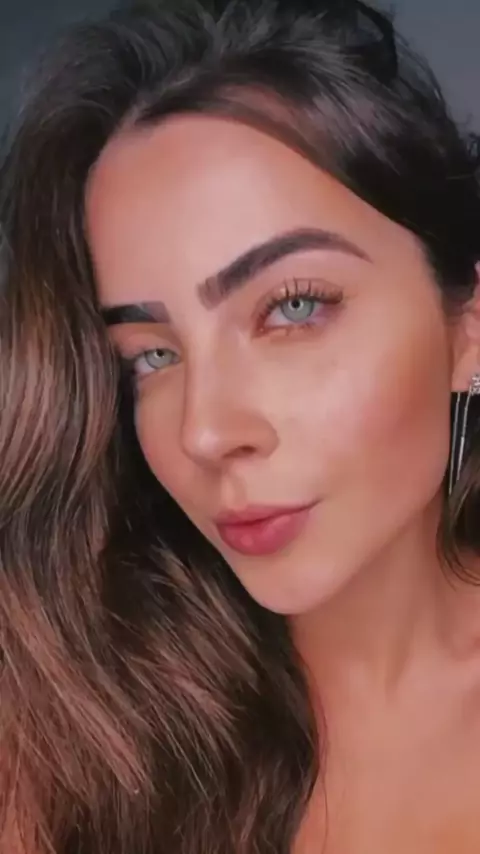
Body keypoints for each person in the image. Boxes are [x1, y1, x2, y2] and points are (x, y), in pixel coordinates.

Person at [1, 0, 480, 851]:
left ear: (468, 330)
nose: (206, 433)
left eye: (293, 307)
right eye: (151, 356)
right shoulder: (68, 725)